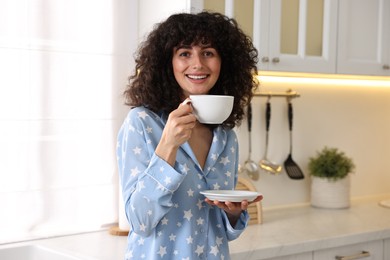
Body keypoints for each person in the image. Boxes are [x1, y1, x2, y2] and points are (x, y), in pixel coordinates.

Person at [116, 11, 262, 260]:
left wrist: (233, 213)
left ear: (223, 62)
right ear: (168, 62)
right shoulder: (141, 123)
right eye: (184, 53)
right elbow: (140, 221)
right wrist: (168, 145)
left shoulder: (225, 138)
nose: (198, 64)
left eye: (208, 53)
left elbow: (219, 230)